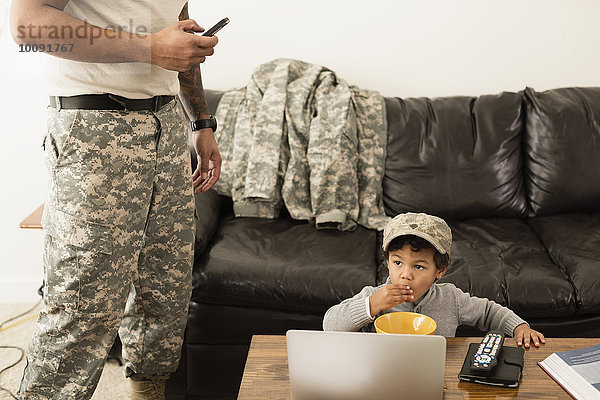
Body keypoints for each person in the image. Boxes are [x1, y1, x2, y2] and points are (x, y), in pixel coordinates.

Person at [9, 1, 221, 399]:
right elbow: (28, 26)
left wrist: (201, 122)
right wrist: (148, 49)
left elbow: (178, 28)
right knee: (82, 305)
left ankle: (148, 391)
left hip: (168, 125)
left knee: (165, 291)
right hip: (94, 128)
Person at [323, 212, 546, 348]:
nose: (405, 274)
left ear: (440, 270)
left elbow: (488, 312)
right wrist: (371, 305)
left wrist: (519, 327)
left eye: (418, 266)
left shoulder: (451, 298)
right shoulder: (375, 298)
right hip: (383, 377)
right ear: (388, 262)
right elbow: (330, 326)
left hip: (434, 377)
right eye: (397, 262)